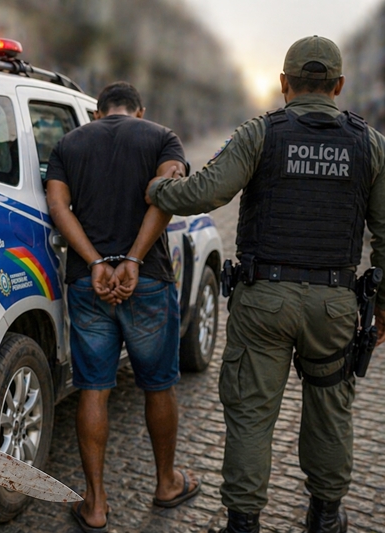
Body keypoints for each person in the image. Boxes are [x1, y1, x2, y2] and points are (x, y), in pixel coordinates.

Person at [146, 36, 385, 533]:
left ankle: (243, 524)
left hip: (265, 302)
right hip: (335, 306)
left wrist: (157, 188)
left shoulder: (262, 133)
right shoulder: (371, 143)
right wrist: (382, 308)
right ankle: (325, 517)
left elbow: (205, 192)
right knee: (331, 412)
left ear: (283, 84)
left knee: (252, 414)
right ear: (339, 85)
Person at [46, 81, 201, 533]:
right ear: (139, 110)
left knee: (94, 387)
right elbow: (167, 192)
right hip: (148, 280)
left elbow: (59, 205)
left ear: (97, 113)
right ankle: (167, 484)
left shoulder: (68, 143)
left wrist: (96, 262)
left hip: (88, 284)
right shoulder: (161, 137)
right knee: (158, 385)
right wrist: (133, 258)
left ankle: (95, 505)